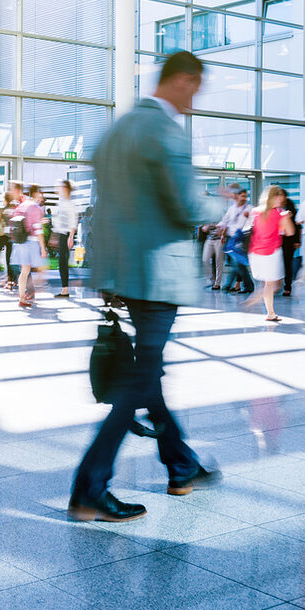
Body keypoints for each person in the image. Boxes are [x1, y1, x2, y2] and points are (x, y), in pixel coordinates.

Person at [70, 51, 220, 523]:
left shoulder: (116, 132)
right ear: (181, 81)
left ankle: (181, 467)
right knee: (138, 382)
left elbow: (107, 208)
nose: (196, 97)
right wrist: (221, 208)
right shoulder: (166, 134)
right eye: (195, 87)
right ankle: (89, 488)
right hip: (157, 276)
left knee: (147, 377)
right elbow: (187, 207)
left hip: (121, 273)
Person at [244, 185, 294, 322]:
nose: (282, 199)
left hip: (255, 253)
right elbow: (290, 232)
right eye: (279, 196)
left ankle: (270, 313)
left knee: (268, 284)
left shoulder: (255, 212)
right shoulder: (279, 214)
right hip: (271, 253)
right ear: (273, 198)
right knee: (275, 285)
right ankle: (255, 299)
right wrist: (287, 218)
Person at [9, 182, 47, 309]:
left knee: (24, 272)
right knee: (42, 269)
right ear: (36, 193)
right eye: (41, 194)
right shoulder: (34, 207)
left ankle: (22, 298)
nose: (42, 197)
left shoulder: (21, 205)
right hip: (31, 242)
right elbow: (38, 229)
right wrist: (42, 247)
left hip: (20, 242)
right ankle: (35, 289)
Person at [51, 179, 80, 298]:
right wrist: (54, 236)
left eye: (62, 188)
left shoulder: (70, 204)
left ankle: (65, 290)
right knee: (62, 262)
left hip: (66, 235)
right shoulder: (62, 202)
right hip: (62, 235)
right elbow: (58, 222)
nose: (60, 189)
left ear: (67, 189)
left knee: (63, 262)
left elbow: (73, 221)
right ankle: (65, 289)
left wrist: (71, 237)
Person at [278, 188, 301, 298]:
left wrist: (297, 240)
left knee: (287, 263)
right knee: (277, 263)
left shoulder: (291, 208)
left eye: (282, 195)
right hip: (276, 239)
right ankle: (275, 285)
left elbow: (297, 226)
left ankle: (287, 286)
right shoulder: (274, 208)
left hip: (288, 240)